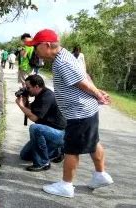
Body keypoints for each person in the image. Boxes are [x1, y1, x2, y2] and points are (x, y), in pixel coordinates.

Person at [26, 29, 113, 198]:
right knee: (93, 142)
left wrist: (98, 94)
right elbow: (84, 76)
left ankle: (66, 185)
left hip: (78, 112)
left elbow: (81, 82)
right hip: (87, 110)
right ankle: (100, 174)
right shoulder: (65, 56)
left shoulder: (62, 62)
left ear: (47, 45)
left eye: (36, 46)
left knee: (71, 149)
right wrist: (98, 92)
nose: (35, 50)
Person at [16, 74, 66, 172]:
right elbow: (32, 109)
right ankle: (57, 152)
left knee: (35, 128)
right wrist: (25, 101)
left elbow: (34, 117)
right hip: (50, 131)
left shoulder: (47, 96)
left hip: (60, 134)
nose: (27, 89)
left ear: (37, 86)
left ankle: (42, 163)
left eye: (28, 87)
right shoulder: (40, 95)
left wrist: (21, 106)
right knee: (24, 155)